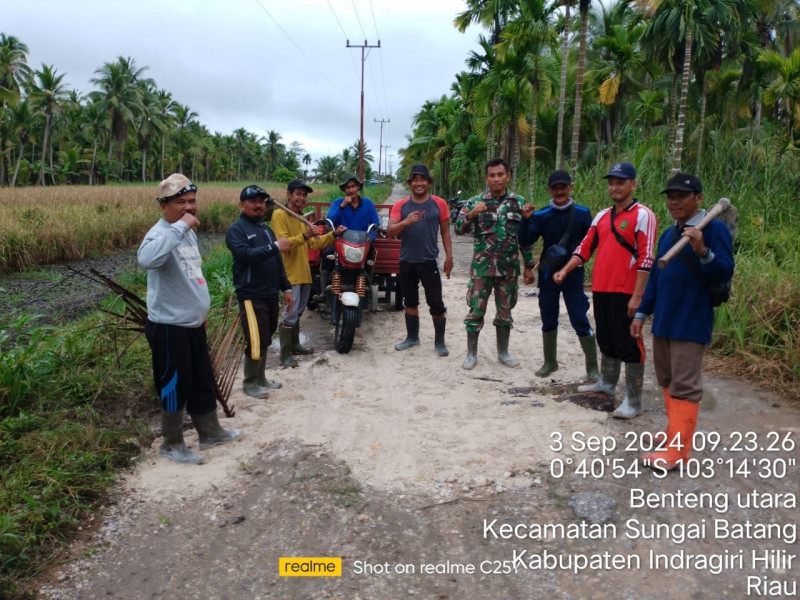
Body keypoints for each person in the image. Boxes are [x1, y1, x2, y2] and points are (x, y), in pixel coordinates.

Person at [138, 173, 242, 464]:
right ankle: (171, 443)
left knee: (201, 381)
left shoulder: (189, 234)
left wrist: (201, 312)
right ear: (164, 206)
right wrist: (181, 225)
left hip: (192, 323)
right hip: (169, 326)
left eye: (192, 202)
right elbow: (147, 260)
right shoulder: (159, 233)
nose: (189, 207)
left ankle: (210, 432)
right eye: (180, 202)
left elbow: (193, 274)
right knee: (173, 385)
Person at [632, 173, 733, 469]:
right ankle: (673, 433)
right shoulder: (669, 234)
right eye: (670, 196)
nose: (674, 202)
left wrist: (702, 250)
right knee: (667, 379)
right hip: (664, 319)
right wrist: (642, 313)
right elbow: (656, 279)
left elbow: (725, 271)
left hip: (691, 320)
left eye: (682, 196)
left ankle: (678, 452)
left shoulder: (714, 229)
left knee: (685, 385)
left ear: (699, 199)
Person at [553, 162, 657, 419]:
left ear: (633, 184)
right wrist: (565, 270)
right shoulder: (601, 216)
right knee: (607, 337)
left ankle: (633, 401)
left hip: (627, 290)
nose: (615, 187)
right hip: (601, 287)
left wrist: (637, 295)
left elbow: (646, 257)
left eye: (621, 182)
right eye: (611, 182)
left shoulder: (643, 215)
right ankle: (607, 383)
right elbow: (584, 248)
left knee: (630, 343)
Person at [518, 170, 599, 380]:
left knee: (579, 317)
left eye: (563, 187)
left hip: (574, 273)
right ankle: (550, 362)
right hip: (547, 274)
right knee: (548, 316)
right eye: (555, 188)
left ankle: (592, 368)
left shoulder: (583, 213)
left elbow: (591, 243)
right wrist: (525, 220)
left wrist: (576, 263)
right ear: (549, 190)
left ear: (571, 187)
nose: (560, 191)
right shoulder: (541, 215)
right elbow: (526, 239)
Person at [455, 158, 534, 370]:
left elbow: (525, 238)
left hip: (508, 268)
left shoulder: (519, 202)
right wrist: (472, 214)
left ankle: (503, 352)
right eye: (492, 175)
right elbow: (458, 228)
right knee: (475, 311)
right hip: (482, 269)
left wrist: (528, 266)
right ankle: (471, 354)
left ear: (508, 176)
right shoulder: (475, 202)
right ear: (486, 178)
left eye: (500, 174)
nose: (496, 179)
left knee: (506, 313)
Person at [226, 184, 292, 397]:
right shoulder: (236, 230)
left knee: (266, 335)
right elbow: (244, 254)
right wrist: (274, 246)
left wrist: (286, 287)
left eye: (262, 201)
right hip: (251, 295)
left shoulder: (265, 229)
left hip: (271, 293)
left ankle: (261, 377)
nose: (258, 205)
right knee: (255, 338)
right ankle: (250, 381)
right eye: (253, 201)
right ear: (241, 204)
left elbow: (277, 260)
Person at [271, 179, 345, 367]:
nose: (301, 198)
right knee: (289, 314)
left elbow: (314, 244)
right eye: (298, 194)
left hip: (304, 273)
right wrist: (305, 235)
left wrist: (333, 235)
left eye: (304, 195)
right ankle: (285, 354)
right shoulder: (279, 214)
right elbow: (284, 245)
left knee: (298, 312)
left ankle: (295, 345)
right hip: (289, 274)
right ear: (289, 195)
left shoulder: (302, 218)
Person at [388, 164, 454, 356]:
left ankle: (439, 343)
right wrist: (406, 222)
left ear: (428, 182)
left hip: (428, 261)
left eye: (422, 179)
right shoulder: (401, 205)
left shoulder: (439, 204)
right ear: (409, 183)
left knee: (436, 302)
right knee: (410, 301)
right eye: (414, 180)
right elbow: (390, 231)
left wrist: (449, 257)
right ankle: (412, 338)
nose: (418, 183)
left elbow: (445, 232)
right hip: (407, 261)